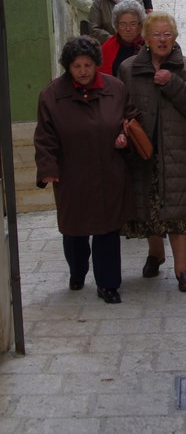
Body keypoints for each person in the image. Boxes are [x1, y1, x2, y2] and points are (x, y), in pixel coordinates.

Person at [34, 36, 137, 304]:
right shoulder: (51, 96)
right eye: (77, 66)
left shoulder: (116, 89)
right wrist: (48, 168)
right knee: (75, 232)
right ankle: (77, 271)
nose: (82, 71)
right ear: (68, 67)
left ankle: (108, 285)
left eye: (88, 65)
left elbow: (131, 118)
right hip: (72, 176)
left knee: (107, 230)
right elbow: (45, 137)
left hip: (109, 172)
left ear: (96, 65)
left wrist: (126, 138)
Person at [118, 12, 186, 291]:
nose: (161, 39)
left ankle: (183, 267)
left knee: (178, 212)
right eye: (156, 34)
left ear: (175, 37)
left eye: (167, 34)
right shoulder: (128, 69)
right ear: (145, 39)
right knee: (146, 206)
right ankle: (155, 253)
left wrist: (172, 82)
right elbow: (118, 106)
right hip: (141, 152)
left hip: (177, 152)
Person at [101, 0, 146, 76]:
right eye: (123, 24)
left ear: (140, 25)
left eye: (133, 24)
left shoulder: (149, 44)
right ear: (116, 26)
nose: (128, 29)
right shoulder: (107, 47)